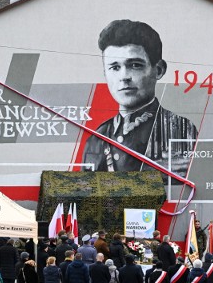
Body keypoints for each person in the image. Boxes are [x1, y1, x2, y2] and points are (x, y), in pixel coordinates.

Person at [83, 19, 197, 175]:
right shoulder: (97, 138)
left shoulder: (180, 128)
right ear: (105, 73)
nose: (124, 77)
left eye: (135, 65)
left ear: (158, 70)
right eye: (115, 67)